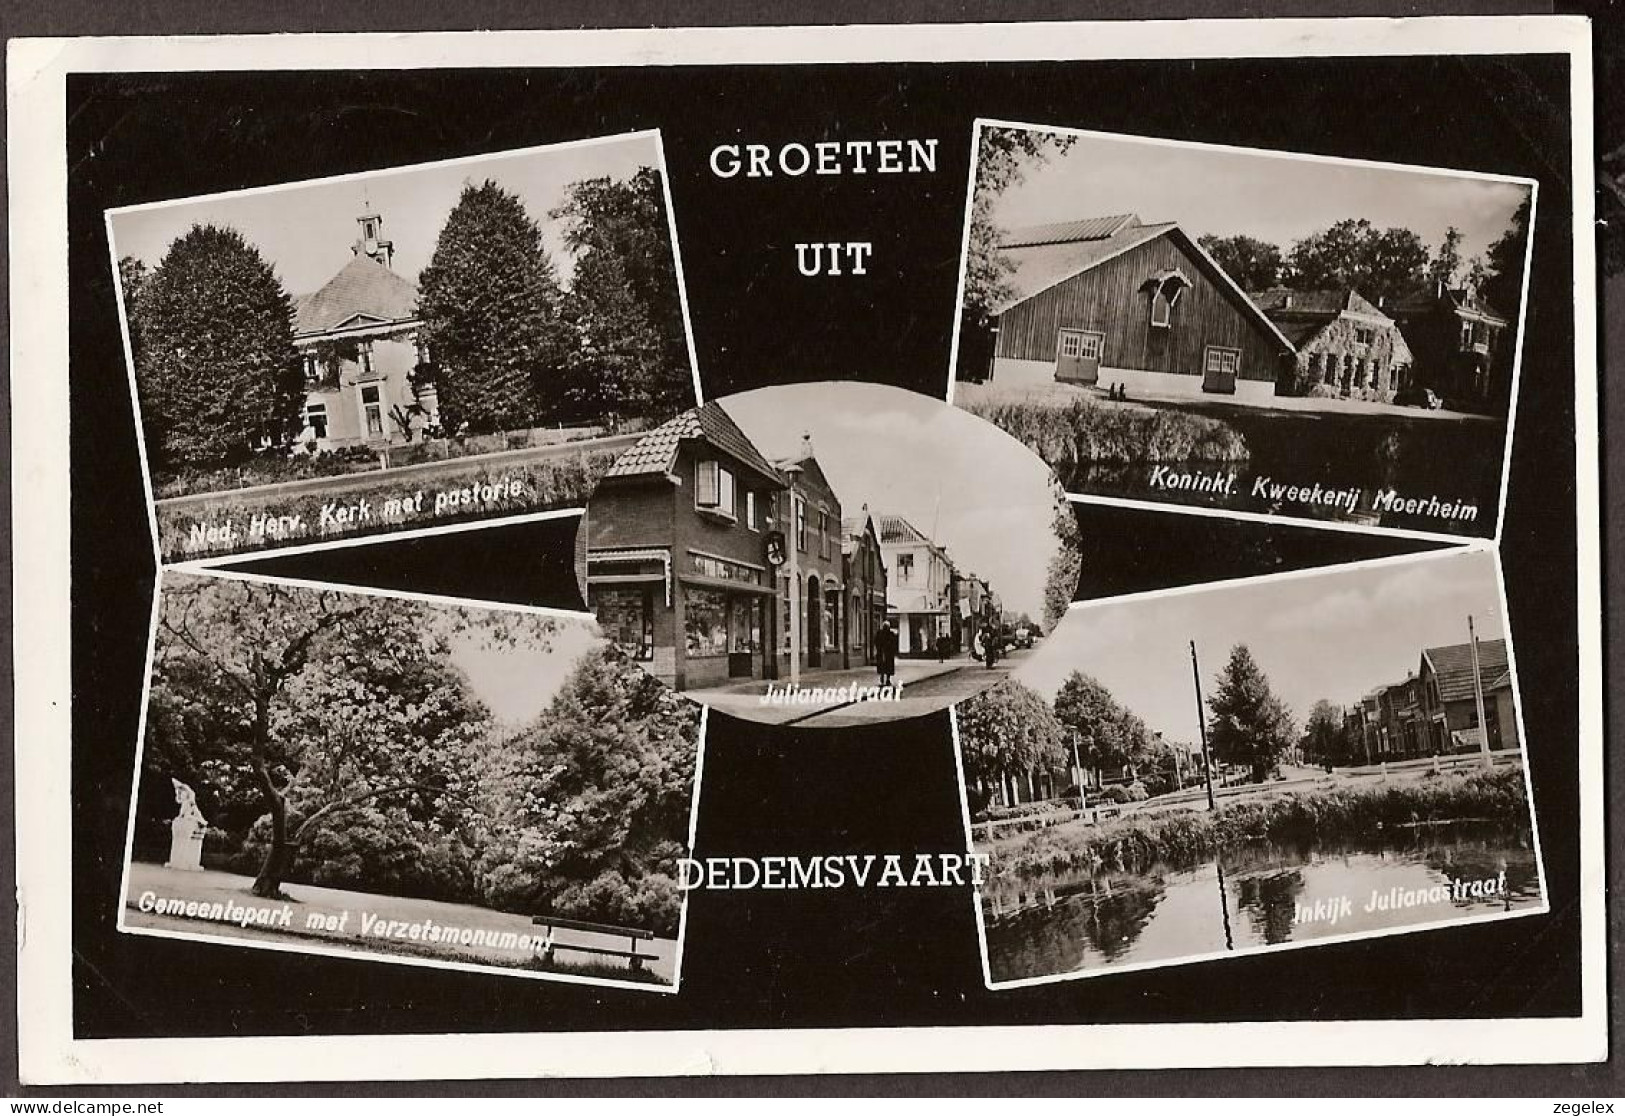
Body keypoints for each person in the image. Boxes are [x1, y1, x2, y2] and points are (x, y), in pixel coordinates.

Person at [873, 619, 899, 688]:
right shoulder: (890, 634)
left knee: (883, 666)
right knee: (887, 667)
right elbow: (894, 643)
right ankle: (886, 679)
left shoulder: (880, 633)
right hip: (887, 653)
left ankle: (883, 679)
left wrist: (878, 649)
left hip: (884, 653)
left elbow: (876, 642)